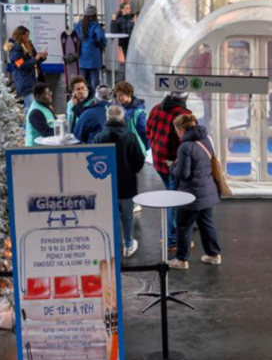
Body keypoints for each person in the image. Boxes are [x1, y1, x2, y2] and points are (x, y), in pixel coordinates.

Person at [168, 114, 222, 269]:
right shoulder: (207, 139)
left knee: (183, 226)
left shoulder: (185, 147)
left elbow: (183, 174)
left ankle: (181, 260)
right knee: (207, 223)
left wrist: (172, 167)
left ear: (180, 129)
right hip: (208, 190)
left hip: (190, 194)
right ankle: (214, 255)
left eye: (176, 130)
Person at [93, 106, 145, 257]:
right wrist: (132, 171)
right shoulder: (130, 137)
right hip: (127, 185)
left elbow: (92, 161)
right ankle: (128, 245)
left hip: (105, 186)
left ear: (107, 118)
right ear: (123, 118)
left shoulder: (98, 138)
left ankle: (112, 247)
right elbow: (139, 160)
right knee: (127, 216)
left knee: (110, 217)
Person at [147, 91, 192, 250]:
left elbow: (148, 132)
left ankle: (169, 232)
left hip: (159, 162)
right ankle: (171, 239)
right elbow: (190, 143)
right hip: (174, 165)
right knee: (174, 202)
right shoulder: (185, 115)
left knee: (172, 197)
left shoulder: (156, 108)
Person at [5, 25, 47, 108]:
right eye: (26, 35)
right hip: (25, 80)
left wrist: (42, 57)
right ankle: (27, 121)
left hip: (35, 79)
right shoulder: (15, 48)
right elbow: (21, 65)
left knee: (35, 106)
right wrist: (35, 59)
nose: (28, 37)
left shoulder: (28, 44)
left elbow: (34, 58)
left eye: (28, 35)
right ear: (20, 36)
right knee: (30, 106)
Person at [75, 4, 107, 90]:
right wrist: (101, 43)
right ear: (94, 15)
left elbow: (75, 36)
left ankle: (84, 96)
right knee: (95, 81)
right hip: (94, 56)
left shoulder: (79, 24)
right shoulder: (95, 25)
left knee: (83, 80)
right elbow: (101, 37)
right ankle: (93, 98)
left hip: (82, 56)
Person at [113, 81, 149, 152]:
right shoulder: (123, 107)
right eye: (117, 95)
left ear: (129, 94)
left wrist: (142, 150)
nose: (118, 98)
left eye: (121, 95)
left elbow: (144, 133)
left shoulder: (138, 112)